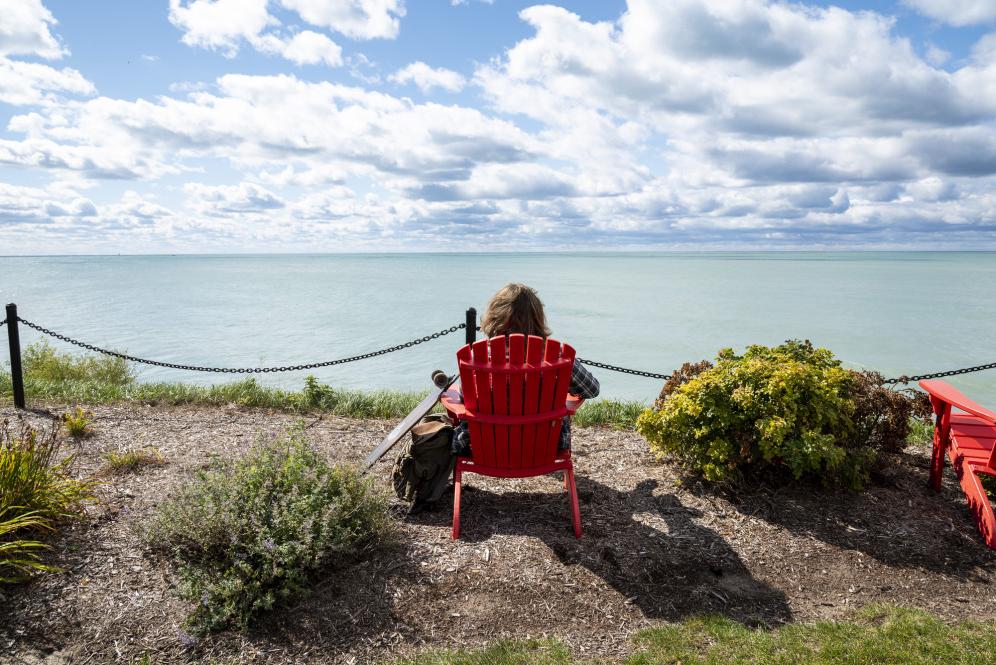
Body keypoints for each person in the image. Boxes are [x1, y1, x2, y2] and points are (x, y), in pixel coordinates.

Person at [452, 283, 600, 457]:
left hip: (485, 448)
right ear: (538, 317)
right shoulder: (556, 355)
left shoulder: (477, 355)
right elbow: (592, 390)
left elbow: (465, 396)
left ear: (493, 316)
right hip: (544, 447)